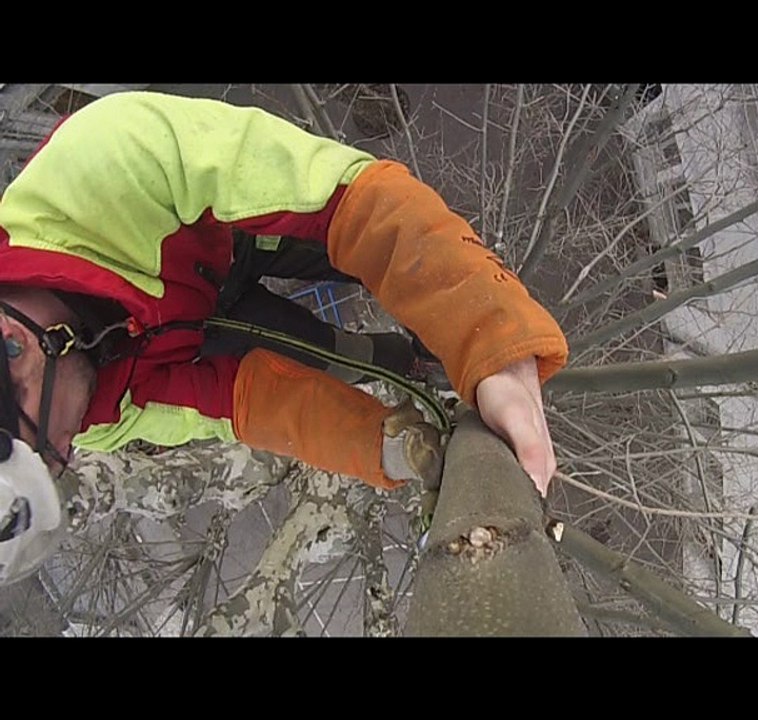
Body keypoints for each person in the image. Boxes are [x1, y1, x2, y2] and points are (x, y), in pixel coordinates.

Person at [0, 90, 568, 584]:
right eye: (58, 468)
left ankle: (455, 294)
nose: (69, 452)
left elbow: (355, 200)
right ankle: (407, 357)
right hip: (188, 328)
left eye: (49, 450)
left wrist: (490, 338)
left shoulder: (100, 160)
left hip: (224, 230)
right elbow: (244, 404)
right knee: (335, 359)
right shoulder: (96, 412)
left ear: (14, 346)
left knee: (365, 244)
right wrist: (385, 448)